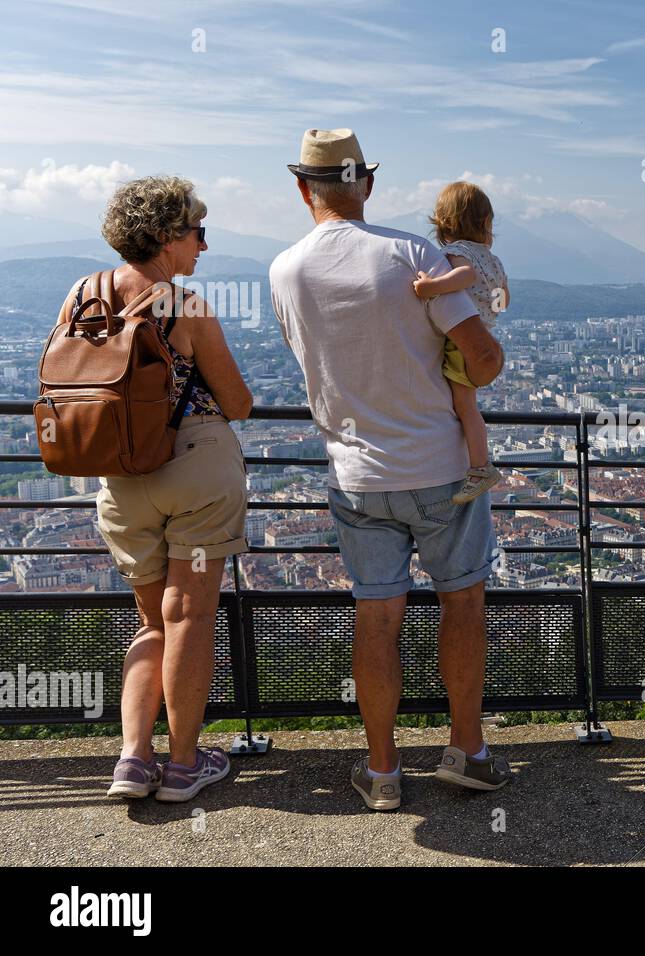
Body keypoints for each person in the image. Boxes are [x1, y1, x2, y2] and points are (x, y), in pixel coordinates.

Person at [269, 129, 512, 811]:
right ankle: (468, 751)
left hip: (355, 474)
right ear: (366, 183)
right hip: (441, 468)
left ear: (302, 188)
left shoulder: (284, 270)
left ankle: (382, 771)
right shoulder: (412, 253)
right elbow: (482, 359)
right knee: (461, 603)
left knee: (377, 618)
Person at [75, 176, 253, 801]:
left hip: (120, 480)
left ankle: (131, 759)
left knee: (152, 622)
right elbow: (236, 402)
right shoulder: (187, 305)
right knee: (191, 616)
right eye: (197, 233)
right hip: (195, 473)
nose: (203, 247)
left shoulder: (82, 295)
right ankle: (182, 765)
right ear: (167, 237)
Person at [411, 181, 507, 504]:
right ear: (484, 224)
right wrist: (486, 307)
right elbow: (503, 299)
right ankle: (478, 465)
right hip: (485, 336)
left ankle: (480, 467)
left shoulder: (458, 253)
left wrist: (432, 287)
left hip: (461, 343)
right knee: (469, 405)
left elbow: (464, 277)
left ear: (445, 224)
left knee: (464, 407)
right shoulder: (493, 260)